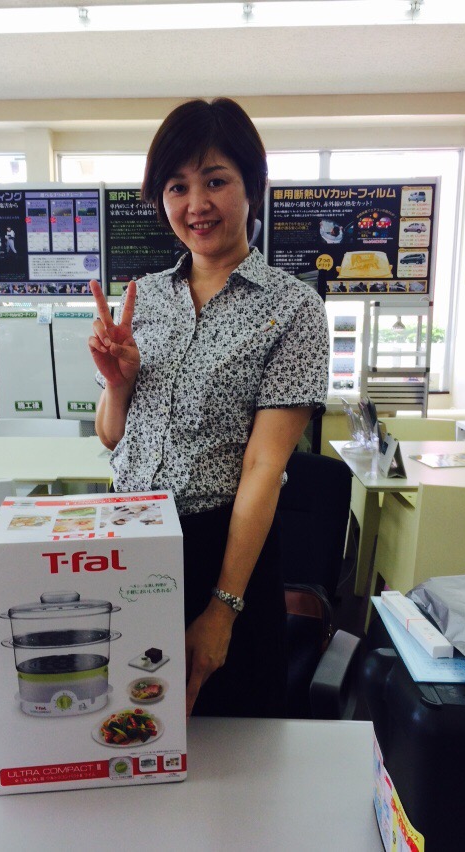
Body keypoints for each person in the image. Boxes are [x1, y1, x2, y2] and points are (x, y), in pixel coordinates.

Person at [88, 98, 329, 719]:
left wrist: (223, 608)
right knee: (127, 721)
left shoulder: (293, 309)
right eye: (177, 187)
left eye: (216, 181)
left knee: (232, 735)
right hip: (130, 537)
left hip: (222, 547)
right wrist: (118, 384)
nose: (196, 204)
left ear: (253, 186)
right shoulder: (146, 298)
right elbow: (113, 437)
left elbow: (263, 468)